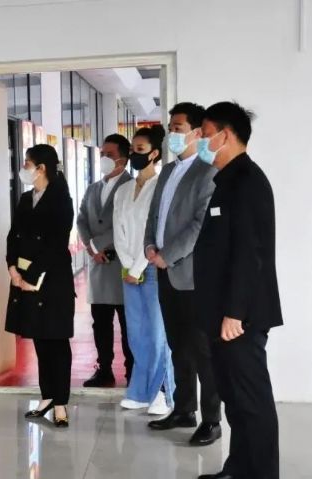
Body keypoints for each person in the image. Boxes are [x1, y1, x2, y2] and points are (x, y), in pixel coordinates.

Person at [194, 102, 283, 479]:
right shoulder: (227, 180)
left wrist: (235, 312)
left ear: (225, 135)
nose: (200, 141)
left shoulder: (247, 181)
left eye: (204, 134)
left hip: (238, 318)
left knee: (252, 401)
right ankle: (239, 468)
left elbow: (251, 254)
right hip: (222, 314)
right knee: (234, 398)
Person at [144, 103, 222, 446]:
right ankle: (184, 409)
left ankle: (212, 420)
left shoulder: (208, 171)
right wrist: (150, 246)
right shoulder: (167, 171)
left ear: (196, 133)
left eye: (177, 128)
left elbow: (199, 225)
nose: (171, 134)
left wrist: (168, 256)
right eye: (170, 128)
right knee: (178, 347)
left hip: (191, 276)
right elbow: (154, 216)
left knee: (203, 351)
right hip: (164, 272)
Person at [5, 144, 75, 428]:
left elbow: (56, 244)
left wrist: (30, 276)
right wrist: (12, 268)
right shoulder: (25, 198)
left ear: (41, 168)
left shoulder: (61, 199)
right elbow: (14, 235)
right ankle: (47, 396)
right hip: (23, 276)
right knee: (39, 338)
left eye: (27, 163)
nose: (24, 168)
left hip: (51, 279)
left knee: (56, 339)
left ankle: (60, 403)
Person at [113, 125, 175, 416]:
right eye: (132, 150)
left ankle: (163, 392)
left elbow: (155, 233)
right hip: (128, 270)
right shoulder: (123, 189)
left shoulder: (162, 186)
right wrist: (127, 265)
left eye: (139, 150)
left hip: (150, 268)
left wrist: (138, 266)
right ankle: (139, 391)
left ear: (154, 154)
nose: (134, 155)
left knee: (158, 332)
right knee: (136, 333)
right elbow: (119, 231)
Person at [76, 134, 135, 387]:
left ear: (123, 158)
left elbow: (126, 222)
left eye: (109, 155)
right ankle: (104, 370)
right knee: (100, 323)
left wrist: (97, 244)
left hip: (122, 265)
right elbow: (81, 219)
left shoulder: (132, 186)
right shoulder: (93, 188)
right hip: (98, 265)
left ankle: (132, 370)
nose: (104, 159)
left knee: (128, 324)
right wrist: (91, 249)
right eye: (102, 154)